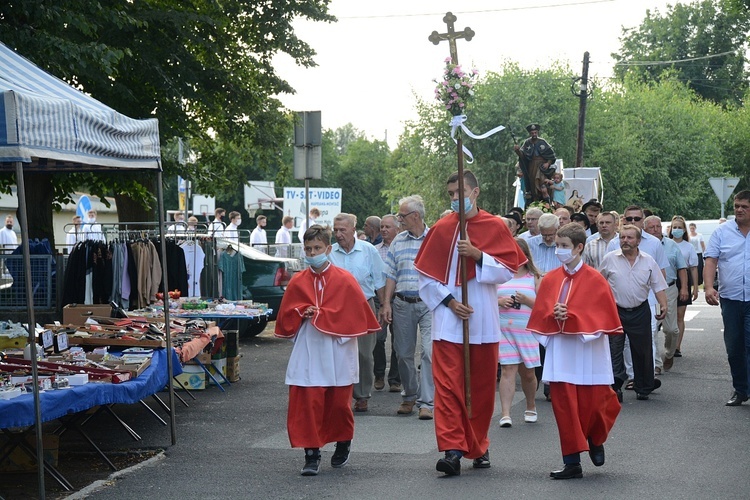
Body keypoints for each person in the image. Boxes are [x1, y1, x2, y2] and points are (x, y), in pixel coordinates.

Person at [414, 169, 526, 476]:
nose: (454, 199)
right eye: (450, 194)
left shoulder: (493, 226)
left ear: (475, 192)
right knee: (448, 388)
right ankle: (452, 450)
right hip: (448, 321)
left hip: (483, 321)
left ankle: (478, 445)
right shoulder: (442, 227)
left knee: (478, 388)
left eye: (459, 193)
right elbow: (425, 276)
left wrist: (478, 255)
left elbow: (507, 270)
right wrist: (449, 302)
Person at [274, 225, 381, 476]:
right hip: (309, 346)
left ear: (328, 249)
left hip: (338, 348)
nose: (313, 253)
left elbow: (355, 315)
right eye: (309, 249)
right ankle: (311, 453)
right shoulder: (299, 280)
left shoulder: (345, 279)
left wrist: (324, 315)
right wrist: (301, 312)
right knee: (306, 401)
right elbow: (286, 315)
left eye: (318, 248)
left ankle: (343, 441)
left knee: (338, 403)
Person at [527, 223, 623, 480]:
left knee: (597, 403)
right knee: (564, 406)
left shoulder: (596, 279)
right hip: (561, 351)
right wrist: (554, 316)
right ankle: (571, 462)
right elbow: (541, 314)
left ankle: (596, 437)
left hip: (588, 350)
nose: (559, 250)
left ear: (579, 247)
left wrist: (574, 316)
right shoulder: (550, 279)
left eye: (564, 246)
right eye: (557, 246)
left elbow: (602, 316)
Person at [379, 196, 433, 419]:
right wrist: (386, 304)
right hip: (402, 303)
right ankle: (409, 395)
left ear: (416, 216)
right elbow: (391, 274)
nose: (399, 219)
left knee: (430, 352)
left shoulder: (434, 239)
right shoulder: (398, 241)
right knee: (403, 354)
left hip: (430, 303)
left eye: (402, 216)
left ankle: (426, 402)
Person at [600, 225, 668, 401]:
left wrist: (663, 305)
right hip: (615, 310)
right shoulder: (609, 259)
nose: (625, 241)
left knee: (642, 350)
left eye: (630, 238)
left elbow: (658, 286)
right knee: (614, 350)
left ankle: (643, 386)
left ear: (638, 241)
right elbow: (598, 283)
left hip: (640, 310)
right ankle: (615, 387)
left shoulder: (648, 261)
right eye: (622, 237)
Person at [329, 213, 386, 413]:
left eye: (342, 230)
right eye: (335, 230)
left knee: (363, 354)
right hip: (336, 309)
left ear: (353, 230)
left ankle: (362, 395)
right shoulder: (330, 252)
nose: (338, 234)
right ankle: (339, 394)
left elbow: (379, 280)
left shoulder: (368, 251)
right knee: (338, 353)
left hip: (363, 306)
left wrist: (384, 306)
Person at [703, 191, 750, 406]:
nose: (739, 210)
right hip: (730, 299)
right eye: (737, 206)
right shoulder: (722, 232)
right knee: (734, 348)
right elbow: (711, 260)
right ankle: (740, 389)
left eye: (744, 207)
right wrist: (709, 287)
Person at [496, 238, 541, 428]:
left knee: (528, 373)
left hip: (526, 331)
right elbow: (485, 298)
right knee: (508, 369)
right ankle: (505, 413)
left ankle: (531, 405)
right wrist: (499, 301)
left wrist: (526, 300)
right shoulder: (498, 275)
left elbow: (544, 306)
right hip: (503, 329)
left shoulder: (535, 277)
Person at [644, 216, 687, 374]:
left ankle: (669, 353)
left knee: (671, 329)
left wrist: (684, 288)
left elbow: (682, 268)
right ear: (645, 229)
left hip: (668, 289)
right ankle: (656, 364)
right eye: (651, 227)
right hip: (650, 291)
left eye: (658, 226)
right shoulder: (643, 244)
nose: (655, 229)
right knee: (652, 328)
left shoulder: (671, 245)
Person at [373, 214, 401, 392]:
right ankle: (379, 374)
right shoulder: (374, 250)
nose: (383, 229)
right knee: (378, 337)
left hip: (399, 297)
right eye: (382, 227)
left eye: (387, 227)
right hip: (379, 298)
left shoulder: (402, 248)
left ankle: (395, 379)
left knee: (399, 340)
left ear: (397, 229)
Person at [669, 216, 699, 359]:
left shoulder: (689, 246)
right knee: (668, 316)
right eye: (674, 227)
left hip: (683, 281)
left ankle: (676, 347)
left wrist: (695, 288)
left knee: (680, 316)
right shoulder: (666, 244)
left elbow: (693, 268)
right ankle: (668, 344)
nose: (677, 230)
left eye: (679, 227)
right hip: (668, 280)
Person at [514, 124, 556, 202]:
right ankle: (535, 199)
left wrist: (548, 163)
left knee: (543, 182)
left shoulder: (542, 142)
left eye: (535, 132)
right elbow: (523, 156)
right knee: (532, 183)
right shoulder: (527, 142)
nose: (534, 134)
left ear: (538, 132)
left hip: (542, 166)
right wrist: (517, 151)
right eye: (532, 133)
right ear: (530, 134)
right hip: (532, 166)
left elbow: (551, 155)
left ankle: (545, 200)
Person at [688, 222, 706, 286]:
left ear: (695, 228)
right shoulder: (688, 235)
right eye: (691, 228)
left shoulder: (700, 235)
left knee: (699, 268)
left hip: (698, 253)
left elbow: (703, 245)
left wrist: (705, 254)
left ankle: (698, 282)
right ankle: (692, 283)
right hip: (691, 253)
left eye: (693, 228)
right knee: (691, 268)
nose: (692, 229)